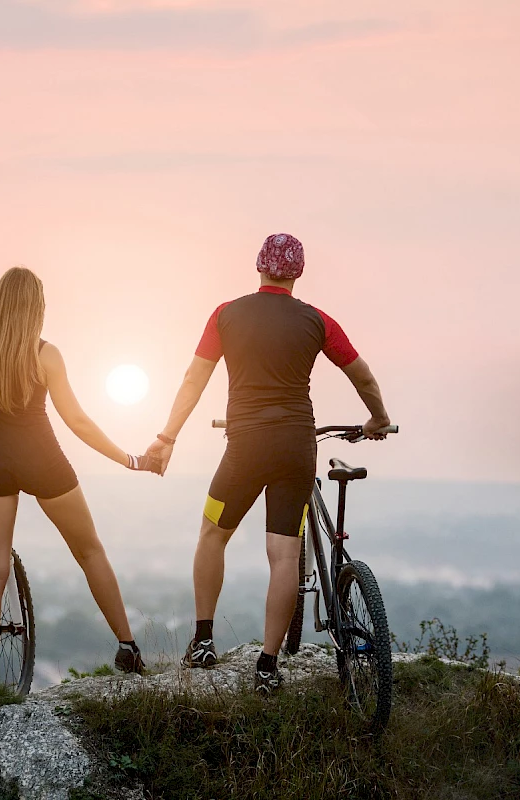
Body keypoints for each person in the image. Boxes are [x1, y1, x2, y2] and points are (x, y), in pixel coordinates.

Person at [145, 233, 391, 694]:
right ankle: (268, 665)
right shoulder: (318, 321)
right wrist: (378, 419)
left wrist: (167, 437)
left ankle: (202, 641)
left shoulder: (225, 315)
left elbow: (194, 379)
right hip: (296, 448)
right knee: (284, 555)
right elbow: (363, 375)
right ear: (297, 273)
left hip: (245, 449)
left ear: (259, 266)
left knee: (212, 533)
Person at [0, 266, 158, 694]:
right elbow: (77, 422)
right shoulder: (45, 353)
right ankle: (128, 647)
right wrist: (129, 459)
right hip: (45, 461)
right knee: (90, 552)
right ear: (37, 308)